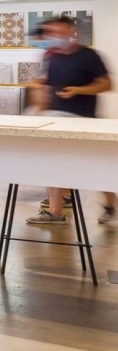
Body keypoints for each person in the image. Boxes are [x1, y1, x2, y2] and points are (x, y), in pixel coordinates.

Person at [25, 15, 116, 227]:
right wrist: (39, 103)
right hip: (55, 119)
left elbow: (107, 84)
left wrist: (79, 90)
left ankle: (111, 204)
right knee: (51, 162)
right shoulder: (52, 57)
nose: (56, 36)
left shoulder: (89, 56)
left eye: (60, 32)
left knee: (93, 166)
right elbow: (48, 84)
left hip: (82, 120)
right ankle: (55, 211)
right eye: (52, 32)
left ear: (72, 33)